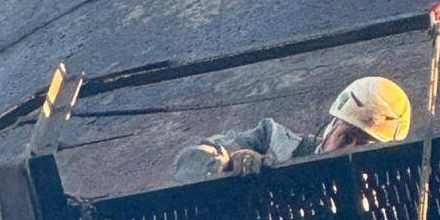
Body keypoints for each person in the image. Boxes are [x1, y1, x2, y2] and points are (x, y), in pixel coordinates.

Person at [172, 76, 411, 181]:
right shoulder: (271, 140)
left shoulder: (381, 201)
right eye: (345, 136)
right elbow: (190, 160)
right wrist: (226, 166)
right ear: (330, 128)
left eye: (364, 147)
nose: (348, 150)